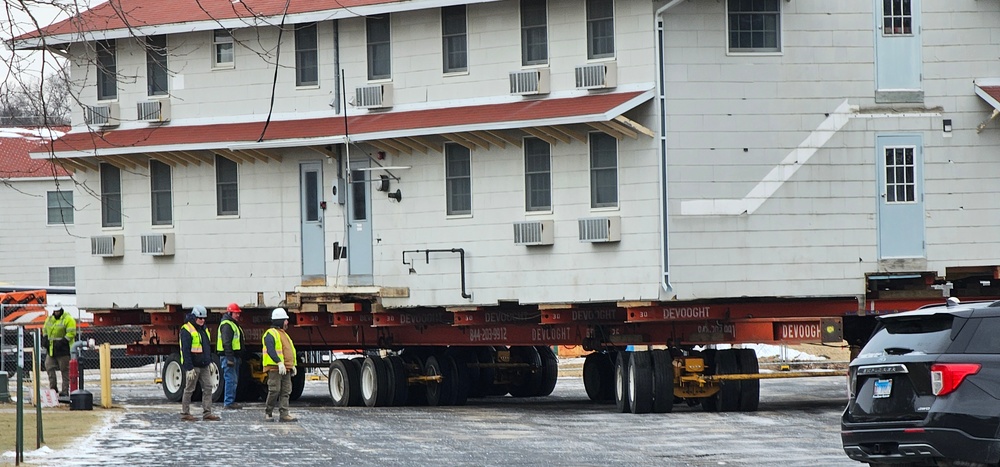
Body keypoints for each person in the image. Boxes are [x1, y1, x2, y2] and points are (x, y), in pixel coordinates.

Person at [179, 305, 220, 421]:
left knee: (208, 387)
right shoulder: (186, 329)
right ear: (194, 317)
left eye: (203, 318)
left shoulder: (203, 329)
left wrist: (210, 361)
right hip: (194, 365)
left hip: (204, 364)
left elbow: (206, 347)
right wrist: (189, 368)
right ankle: (185, 413)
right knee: (189, 389)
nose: (202, 320)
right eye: (200, 318)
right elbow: (185, 350)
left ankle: (207, 413)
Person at [262, 307, 297, 422]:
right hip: (274, 368)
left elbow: (289, 351)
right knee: (275, 390)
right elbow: (271, 350)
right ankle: (268, 412)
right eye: (285, 320)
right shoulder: (270, 334)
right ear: (279, 320)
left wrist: (292, 365)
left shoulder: (284, 335)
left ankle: (284, 413)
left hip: (285, 368)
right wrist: (279, 362)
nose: (287, 322)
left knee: (286, 391)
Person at [42, 303, 76, 396]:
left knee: (64, 370)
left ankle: (65, 391)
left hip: (63, 349)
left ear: (61, 310)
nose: (56, 313)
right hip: (52, 349)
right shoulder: (49, 319)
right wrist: (45, 339)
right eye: (55, 311)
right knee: (49, 367)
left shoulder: (68, 319)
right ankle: (53, 388)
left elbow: (71, 333)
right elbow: (44, 330)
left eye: (58, 311)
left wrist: (62, 342)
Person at [217, 302, 245, 410]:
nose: (238, 315)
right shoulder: (227, 325)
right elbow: (226, 342)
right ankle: (228, 402)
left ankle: (230, 401)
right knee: (230, 379)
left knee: (233, 380)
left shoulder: (231, 324)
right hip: (229, 356)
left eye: (238, 313)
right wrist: (229, 358)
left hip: (233, 356)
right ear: (230, 313)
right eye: (236, 313)